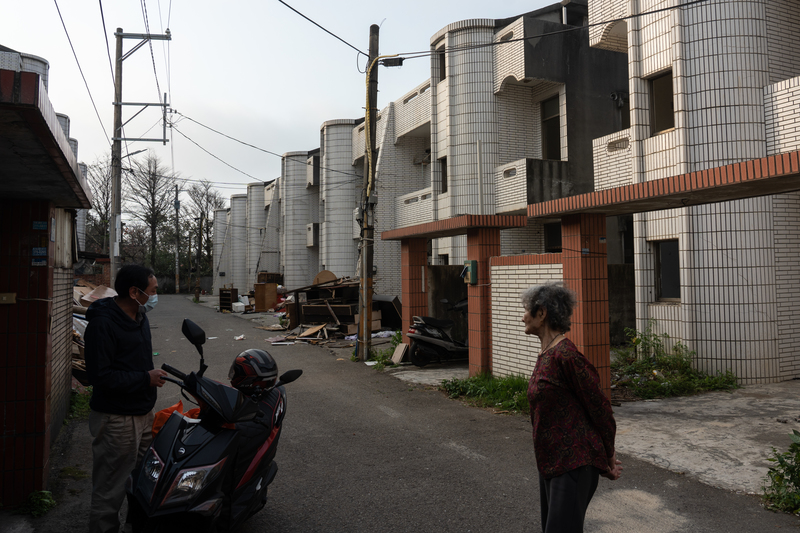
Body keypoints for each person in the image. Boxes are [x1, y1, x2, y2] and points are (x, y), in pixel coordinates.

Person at [522, 282, 622, 533]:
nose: (522, 316)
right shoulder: (546, 353)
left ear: (542, 313)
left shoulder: (566, 356)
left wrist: (608, 457)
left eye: (526, 310)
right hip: (552, 463)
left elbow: (601, 410)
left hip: (573, 463)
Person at [84, 264, 167, 533]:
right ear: (134, 291)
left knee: (144, 482)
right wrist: (146, 379)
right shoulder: (103, 323)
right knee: (111, 489)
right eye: (152, 291)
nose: (155, 296)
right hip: (117, 419)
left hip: (143, 414)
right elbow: (101, 376)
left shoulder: (139, 316)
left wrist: (149, 378)